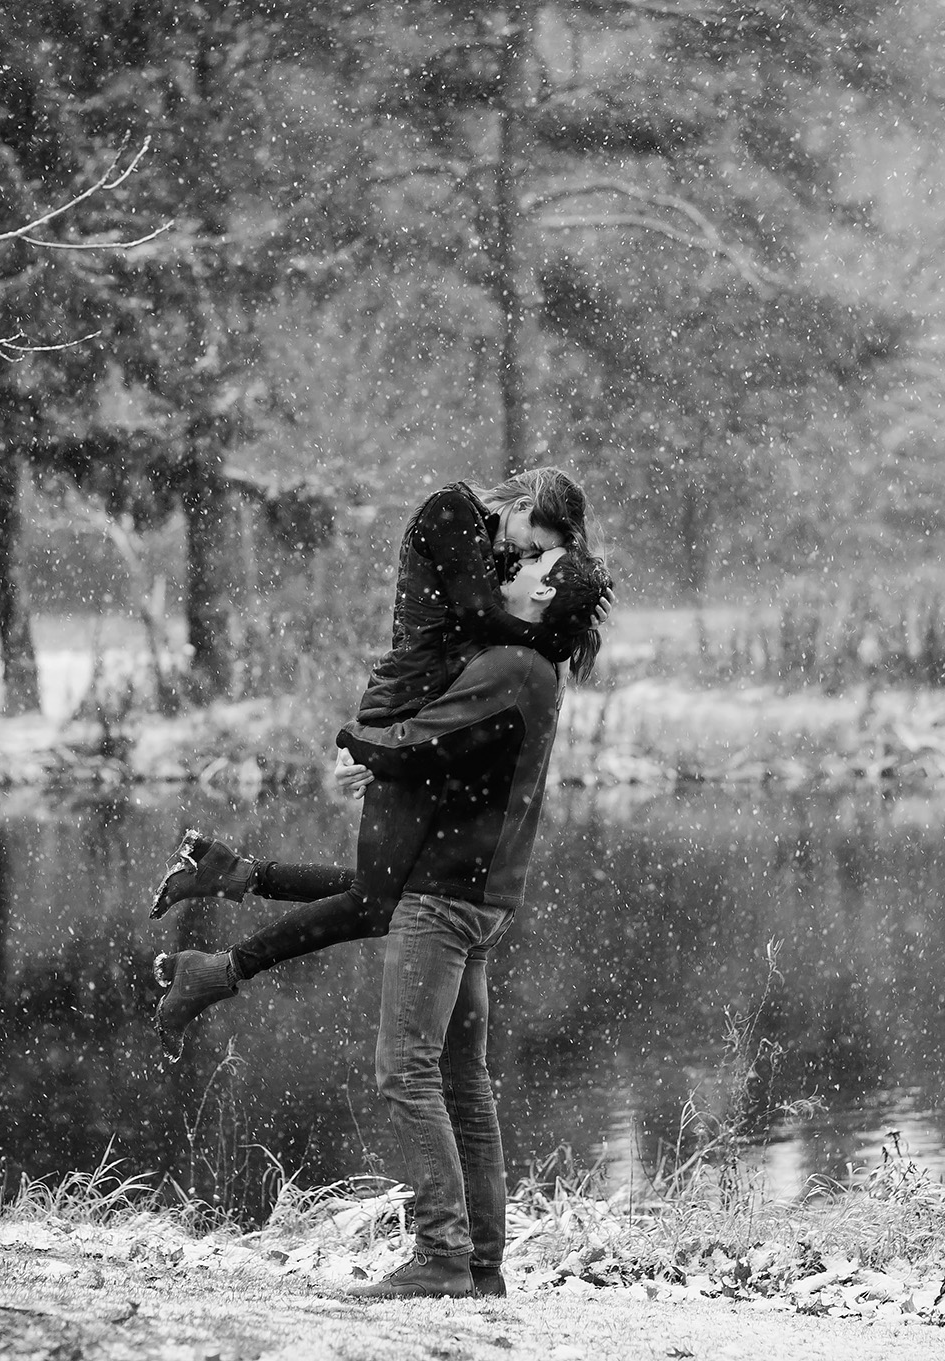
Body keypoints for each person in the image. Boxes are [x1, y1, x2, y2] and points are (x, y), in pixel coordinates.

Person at [163, 547, 613, 1301]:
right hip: (477, 892)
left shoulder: (512, 664)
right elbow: (453, 751)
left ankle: (441, 1254)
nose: (519, 559)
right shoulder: (535, 668)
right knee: (462, 1082)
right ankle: (481, 1264)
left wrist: (359, 744)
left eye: (539, 558)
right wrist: (391, 760)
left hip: (447, 896)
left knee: (403, 1067)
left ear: (544, 590)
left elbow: (424, 732)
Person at [147, 469, 600, 1039]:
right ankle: (217, 964)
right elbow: (480, 620)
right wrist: (553, 632)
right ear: (525, 503)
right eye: (530, 543)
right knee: (375, 901)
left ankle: (224, 874)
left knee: (387, 891)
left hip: (422, 717)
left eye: (533, 555)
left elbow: (485, 633)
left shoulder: (488, 550)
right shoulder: (451, 509)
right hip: (405, 716)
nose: (518, 553)